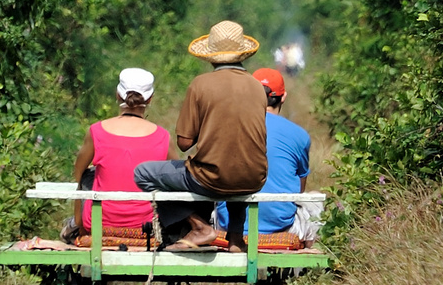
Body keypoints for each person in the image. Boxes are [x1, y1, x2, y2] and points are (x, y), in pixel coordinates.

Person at [133, 21, 268, 251]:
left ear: (211, 56)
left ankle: (200, 226)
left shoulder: (201, 84)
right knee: (239, 165)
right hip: (255, 179)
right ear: (241, 55)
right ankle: (235, 238)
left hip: (209, 180)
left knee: (144, 173)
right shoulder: (257, 86)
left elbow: (184, 143)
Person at [62, 68, 172, 244]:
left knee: (87, 175)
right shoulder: (163, 136)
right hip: (146, 227)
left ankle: (77, 225)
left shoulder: (97, 131)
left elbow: (78, 173)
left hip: (99, 225)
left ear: (118, 94)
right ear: (150, 99)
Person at [215, 67, 311, 240]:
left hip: (229, 223)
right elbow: (300, 188)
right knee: (313, 203)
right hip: (280, 224)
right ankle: (310, 261)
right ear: (283, 97)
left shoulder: (226, 127)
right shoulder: (300, 135)